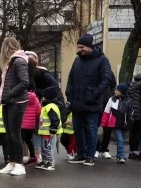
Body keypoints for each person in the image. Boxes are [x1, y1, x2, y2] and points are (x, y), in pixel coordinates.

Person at [65, 34, 113, 166]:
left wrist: (94, 94)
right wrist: (68, 92)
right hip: (77, 101)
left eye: (82, 47)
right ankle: (80, 154)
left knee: (92, 129)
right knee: (77, 128)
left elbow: (106, 79)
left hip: (92, 102)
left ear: (90, 46)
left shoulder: (102, 60)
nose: (80, 49)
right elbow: (71, 77)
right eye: (78, 47)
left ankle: (90, 156)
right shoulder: (77, 60)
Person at [0, 37, 30, 176]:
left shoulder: (19, 61)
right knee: (9, 134)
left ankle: (20, 164)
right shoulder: (12, 63)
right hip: (9, 102)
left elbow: (24, 82)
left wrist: (9, 94)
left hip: (17, 102)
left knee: (15, 134)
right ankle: (12, 162)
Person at [99, 83, 131, 164]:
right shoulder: (112, 99)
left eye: (117, 90)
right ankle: (121, 156)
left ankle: (120, 155)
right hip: (115, 123)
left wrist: (129, 123)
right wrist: (104, 123)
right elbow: (107, 112)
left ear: (122, 92)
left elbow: (130, 113)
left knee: (122, 140)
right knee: (120, 139)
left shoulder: (128, 101)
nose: (115, 91)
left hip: (124, 123)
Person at [37, 86, 63, 171]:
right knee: (44, 147)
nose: (42, 98)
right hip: (45, 132)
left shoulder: (50, 107)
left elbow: (54, 120)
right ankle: (45, 161)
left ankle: (50, 162)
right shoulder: (47, 106)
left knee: (47, 148)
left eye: (44, 96)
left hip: (48, 133)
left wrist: (52, 131)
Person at [21, 91, 41, 165]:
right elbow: (39, 111)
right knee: (29, 140)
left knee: (21, 141)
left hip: (22, 124)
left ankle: (18, 158)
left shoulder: (22, 97)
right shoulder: (36, 99)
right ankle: (33, 156)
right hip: (31, 125)